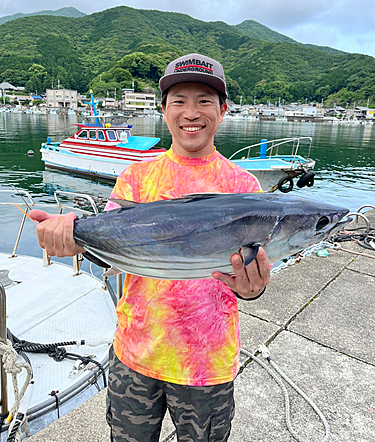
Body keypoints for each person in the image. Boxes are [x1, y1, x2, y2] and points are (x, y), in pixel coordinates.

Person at [30, 53, 271, 442]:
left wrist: (253, 288)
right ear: (163, 110)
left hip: (206, 364)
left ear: (223, 110)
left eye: (204, 101)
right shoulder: (137, 176)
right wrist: (68, 238)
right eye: (179, 101)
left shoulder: (244, 188)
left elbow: (252, 282)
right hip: (135, 355)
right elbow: (105, 245)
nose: (191, 112)